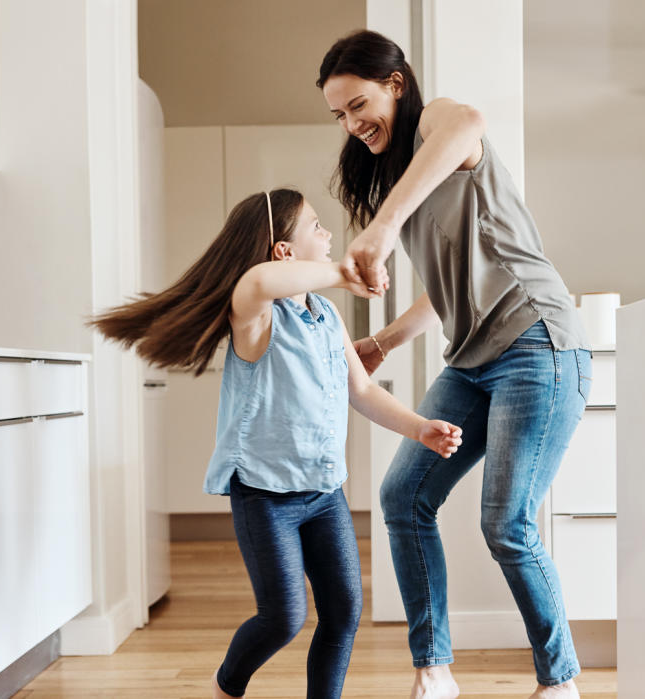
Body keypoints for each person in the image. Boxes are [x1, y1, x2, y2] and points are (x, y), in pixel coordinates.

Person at [89, 188, 463, 699]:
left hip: (324, 493)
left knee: (343, 611)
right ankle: (227, 685)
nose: (328, 234)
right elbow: (258, 280)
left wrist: (418, 427)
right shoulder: (257, 318)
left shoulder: (327, 317)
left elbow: (364, 390)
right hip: (265, 496)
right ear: (284, 250)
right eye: (316, 226)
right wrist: (346, 270)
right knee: (284, 617)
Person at [318, 31, 591, 699]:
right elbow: (446, 285)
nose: (354, 125)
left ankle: (561, 681)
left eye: (360, 105)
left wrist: (381, 229)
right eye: (341, 116)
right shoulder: (396, 172)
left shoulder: (441, 122)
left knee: (507, 522)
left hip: (537, 341)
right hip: (473, 358)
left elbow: (470, 122)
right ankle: (433, 670)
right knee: (403, 497)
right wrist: (382, 342)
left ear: (397, 85)